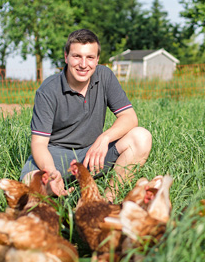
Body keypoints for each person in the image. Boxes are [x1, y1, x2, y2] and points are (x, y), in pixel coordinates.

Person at [19, 28, 152, 202]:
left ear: (97, 59)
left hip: (93, 155)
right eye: (77, 56)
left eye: (90, 57)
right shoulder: (48, 90)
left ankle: (107, 200)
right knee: (30, 183)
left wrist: (104, 138)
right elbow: (38, 143)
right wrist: (51, 172)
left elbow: (130, 117)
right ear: (66, 57)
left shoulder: (104, 76)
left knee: (142, 137)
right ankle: (56, 191)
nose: (83, 64)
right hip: (55, 156)